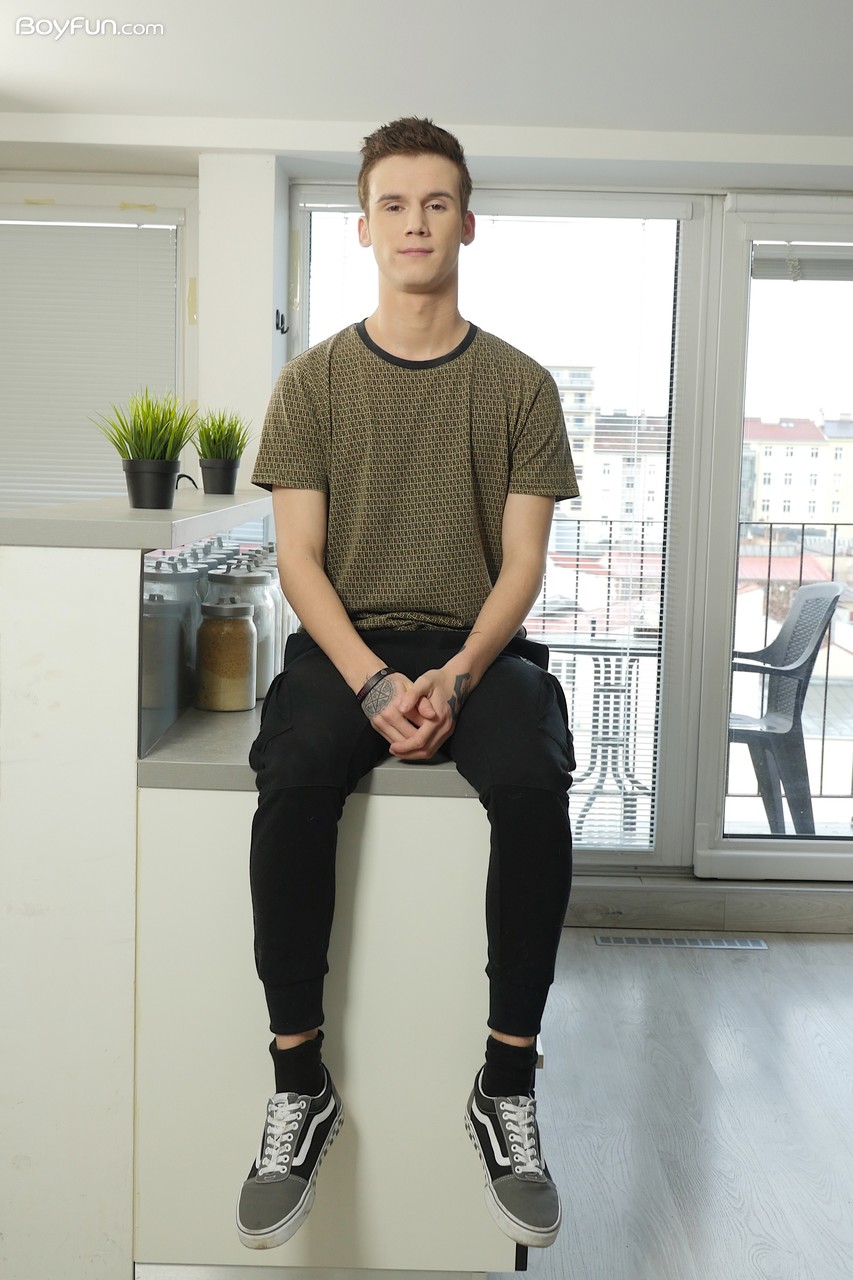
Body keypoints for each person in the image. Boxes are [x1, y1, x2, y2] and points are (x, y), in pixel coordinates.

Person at [236, 117, 578, 1253]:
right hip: (349, 646)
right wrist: (376, 681)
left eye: (437, 203)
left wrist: (460, 675)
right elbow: (297, 561)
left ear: (466, 224)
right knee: (293, 766)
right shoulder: (312, 383)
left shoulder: (521, 386)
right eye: (394, 204)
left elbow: (522, 564)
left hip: (478, 645)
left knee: (531, 773)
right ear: (364, 227)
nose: (416, 223)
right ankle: (298, 1080)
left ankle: (506, 1080)